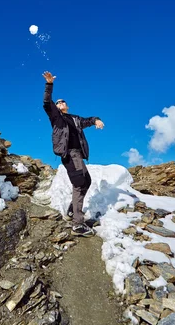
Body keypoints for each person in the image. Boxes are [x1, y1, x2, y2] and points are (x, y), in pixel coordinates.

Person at [42, 71, 105, 237]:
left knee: (87, 181)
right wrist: (49, 85)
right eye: (58, 102)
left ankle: (72, 209)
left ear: (67, 105)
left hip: (78, 154)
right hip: (69, 154)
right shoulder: (56, 117)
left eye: (63, 102)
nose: (60, 103)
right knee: (79, 184)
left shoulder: (75, 119)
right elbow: (46, 102)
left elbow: (88, 120)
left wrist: (96, 120)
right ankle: (78, 224)